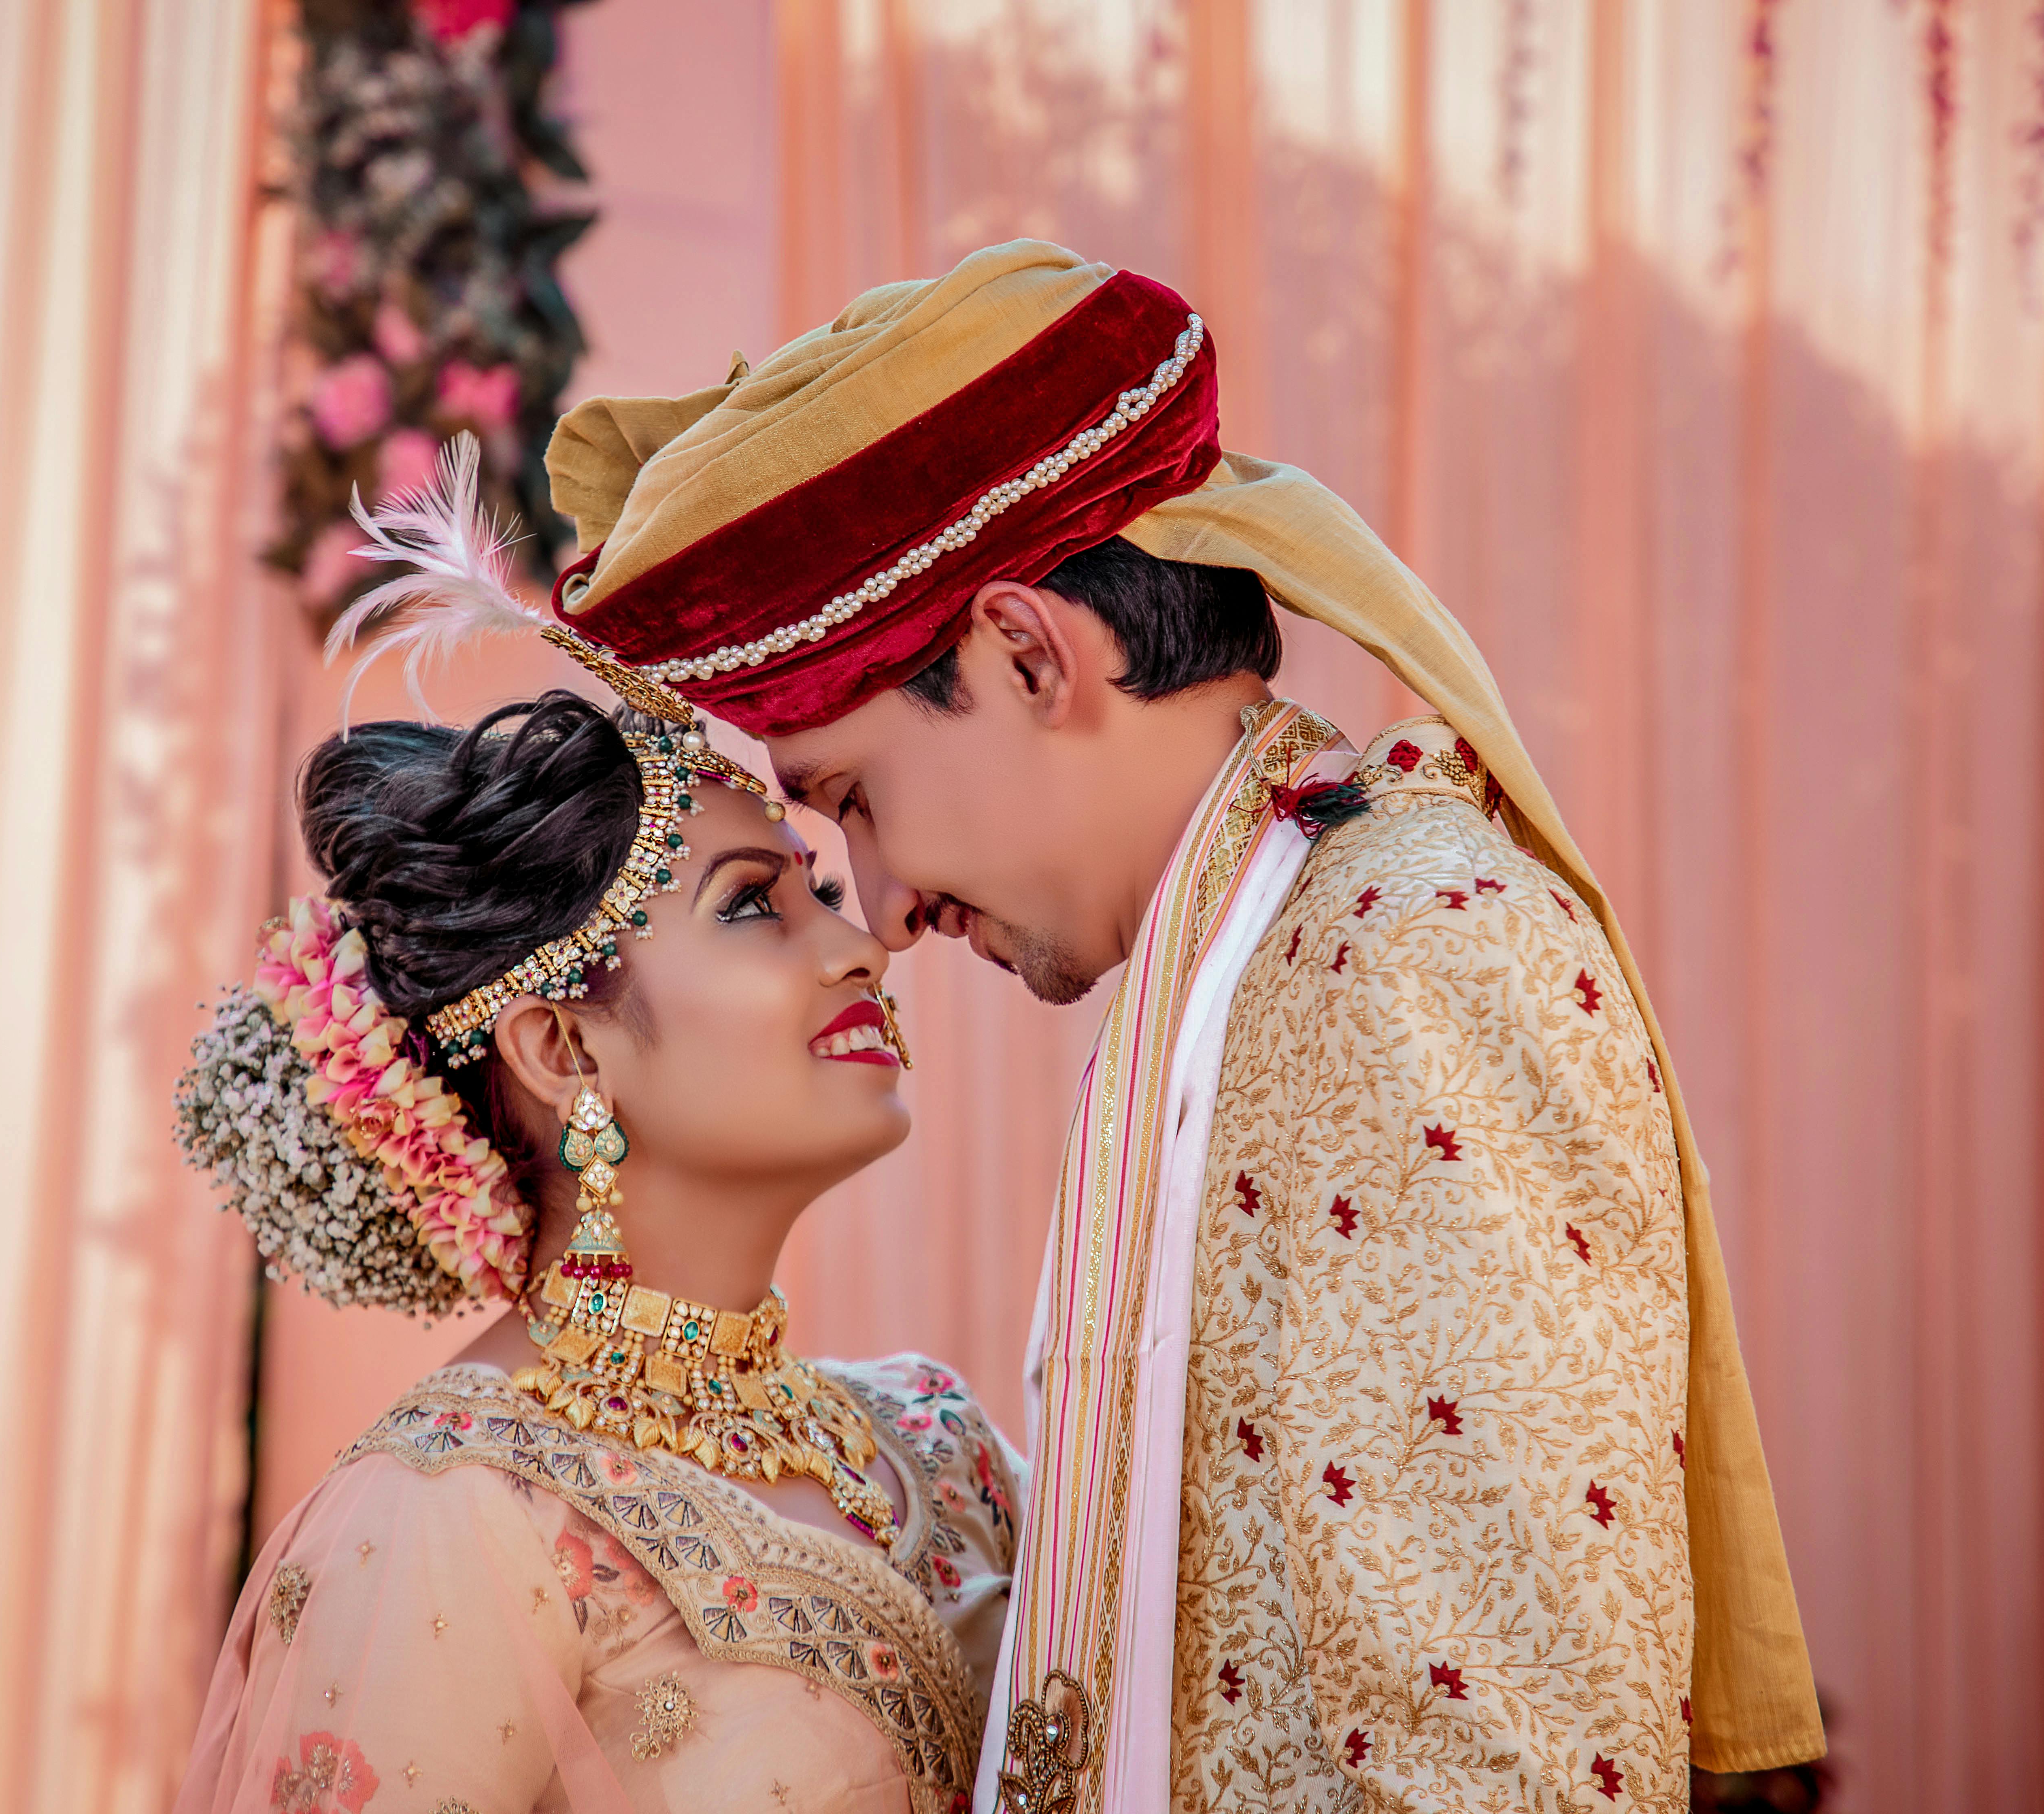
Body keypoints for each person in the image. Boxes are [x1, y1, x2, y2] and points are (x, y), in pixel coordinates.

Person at [535, 241, 1827, 1812]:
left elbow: (1505, 1759)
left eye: (856, 800)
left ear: (1031, 655)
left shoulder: (1407, 956)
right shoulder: (1260, 961)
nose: (883, 909)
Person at [170, 671, 1021, 1812]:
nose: (860, 947)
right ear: (564, 1051)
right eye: (753, 905)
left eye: (821, 889)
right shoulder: (455, 1511)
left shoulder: (940, 1445)